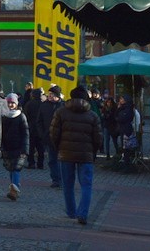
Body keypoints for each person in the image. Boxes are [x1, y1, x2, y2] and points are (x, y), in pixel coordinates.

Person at [50, 86, 103, 225]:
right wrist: (93, 152)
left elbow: (54, 133)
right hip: (86, 155)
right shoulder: (92, 115)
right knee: (86, 185)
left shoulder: (61, 112)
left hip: (65, 153)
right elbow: (98, 138)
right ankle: (83, 214)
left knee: (67, 184)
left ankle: (71, 212)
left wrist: (59, 147)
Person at [0, 93, 29, 201]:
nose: (11, 105)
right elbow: (0, 133)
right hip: (7, 147)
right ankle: (15, 187)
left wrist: (25, 149)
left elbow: (26, 133)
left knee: (16, 169)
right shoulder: (4, 116)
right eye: (9, 103)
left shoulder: (21, 116)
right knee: (11, 169)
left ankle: (13, 191)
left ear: (16, 104)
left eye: (13, 103)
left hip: (19, 147)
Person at [37, 85, 64, 188]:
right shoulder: (44, 105)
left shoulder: (63, 106)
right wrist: (42, 134)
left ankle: (62, 180)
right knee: (52, 160)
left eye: (52, 94)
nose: (49, 96)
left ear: (57, 96)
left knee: (61, 160)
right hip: (48, 137)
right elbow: (38, 121)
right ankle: (55, 180)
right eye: (49, 94)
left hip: (61, 138)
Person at [23, 87, 44, 169]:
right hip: (40, 129)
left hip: (31, 128)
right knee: (40, 147)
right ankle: (40, 164)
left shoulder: (29, 104)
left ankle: (31, 163)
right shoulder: (43, 104)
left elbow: (25, 115)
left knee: (31, 147)